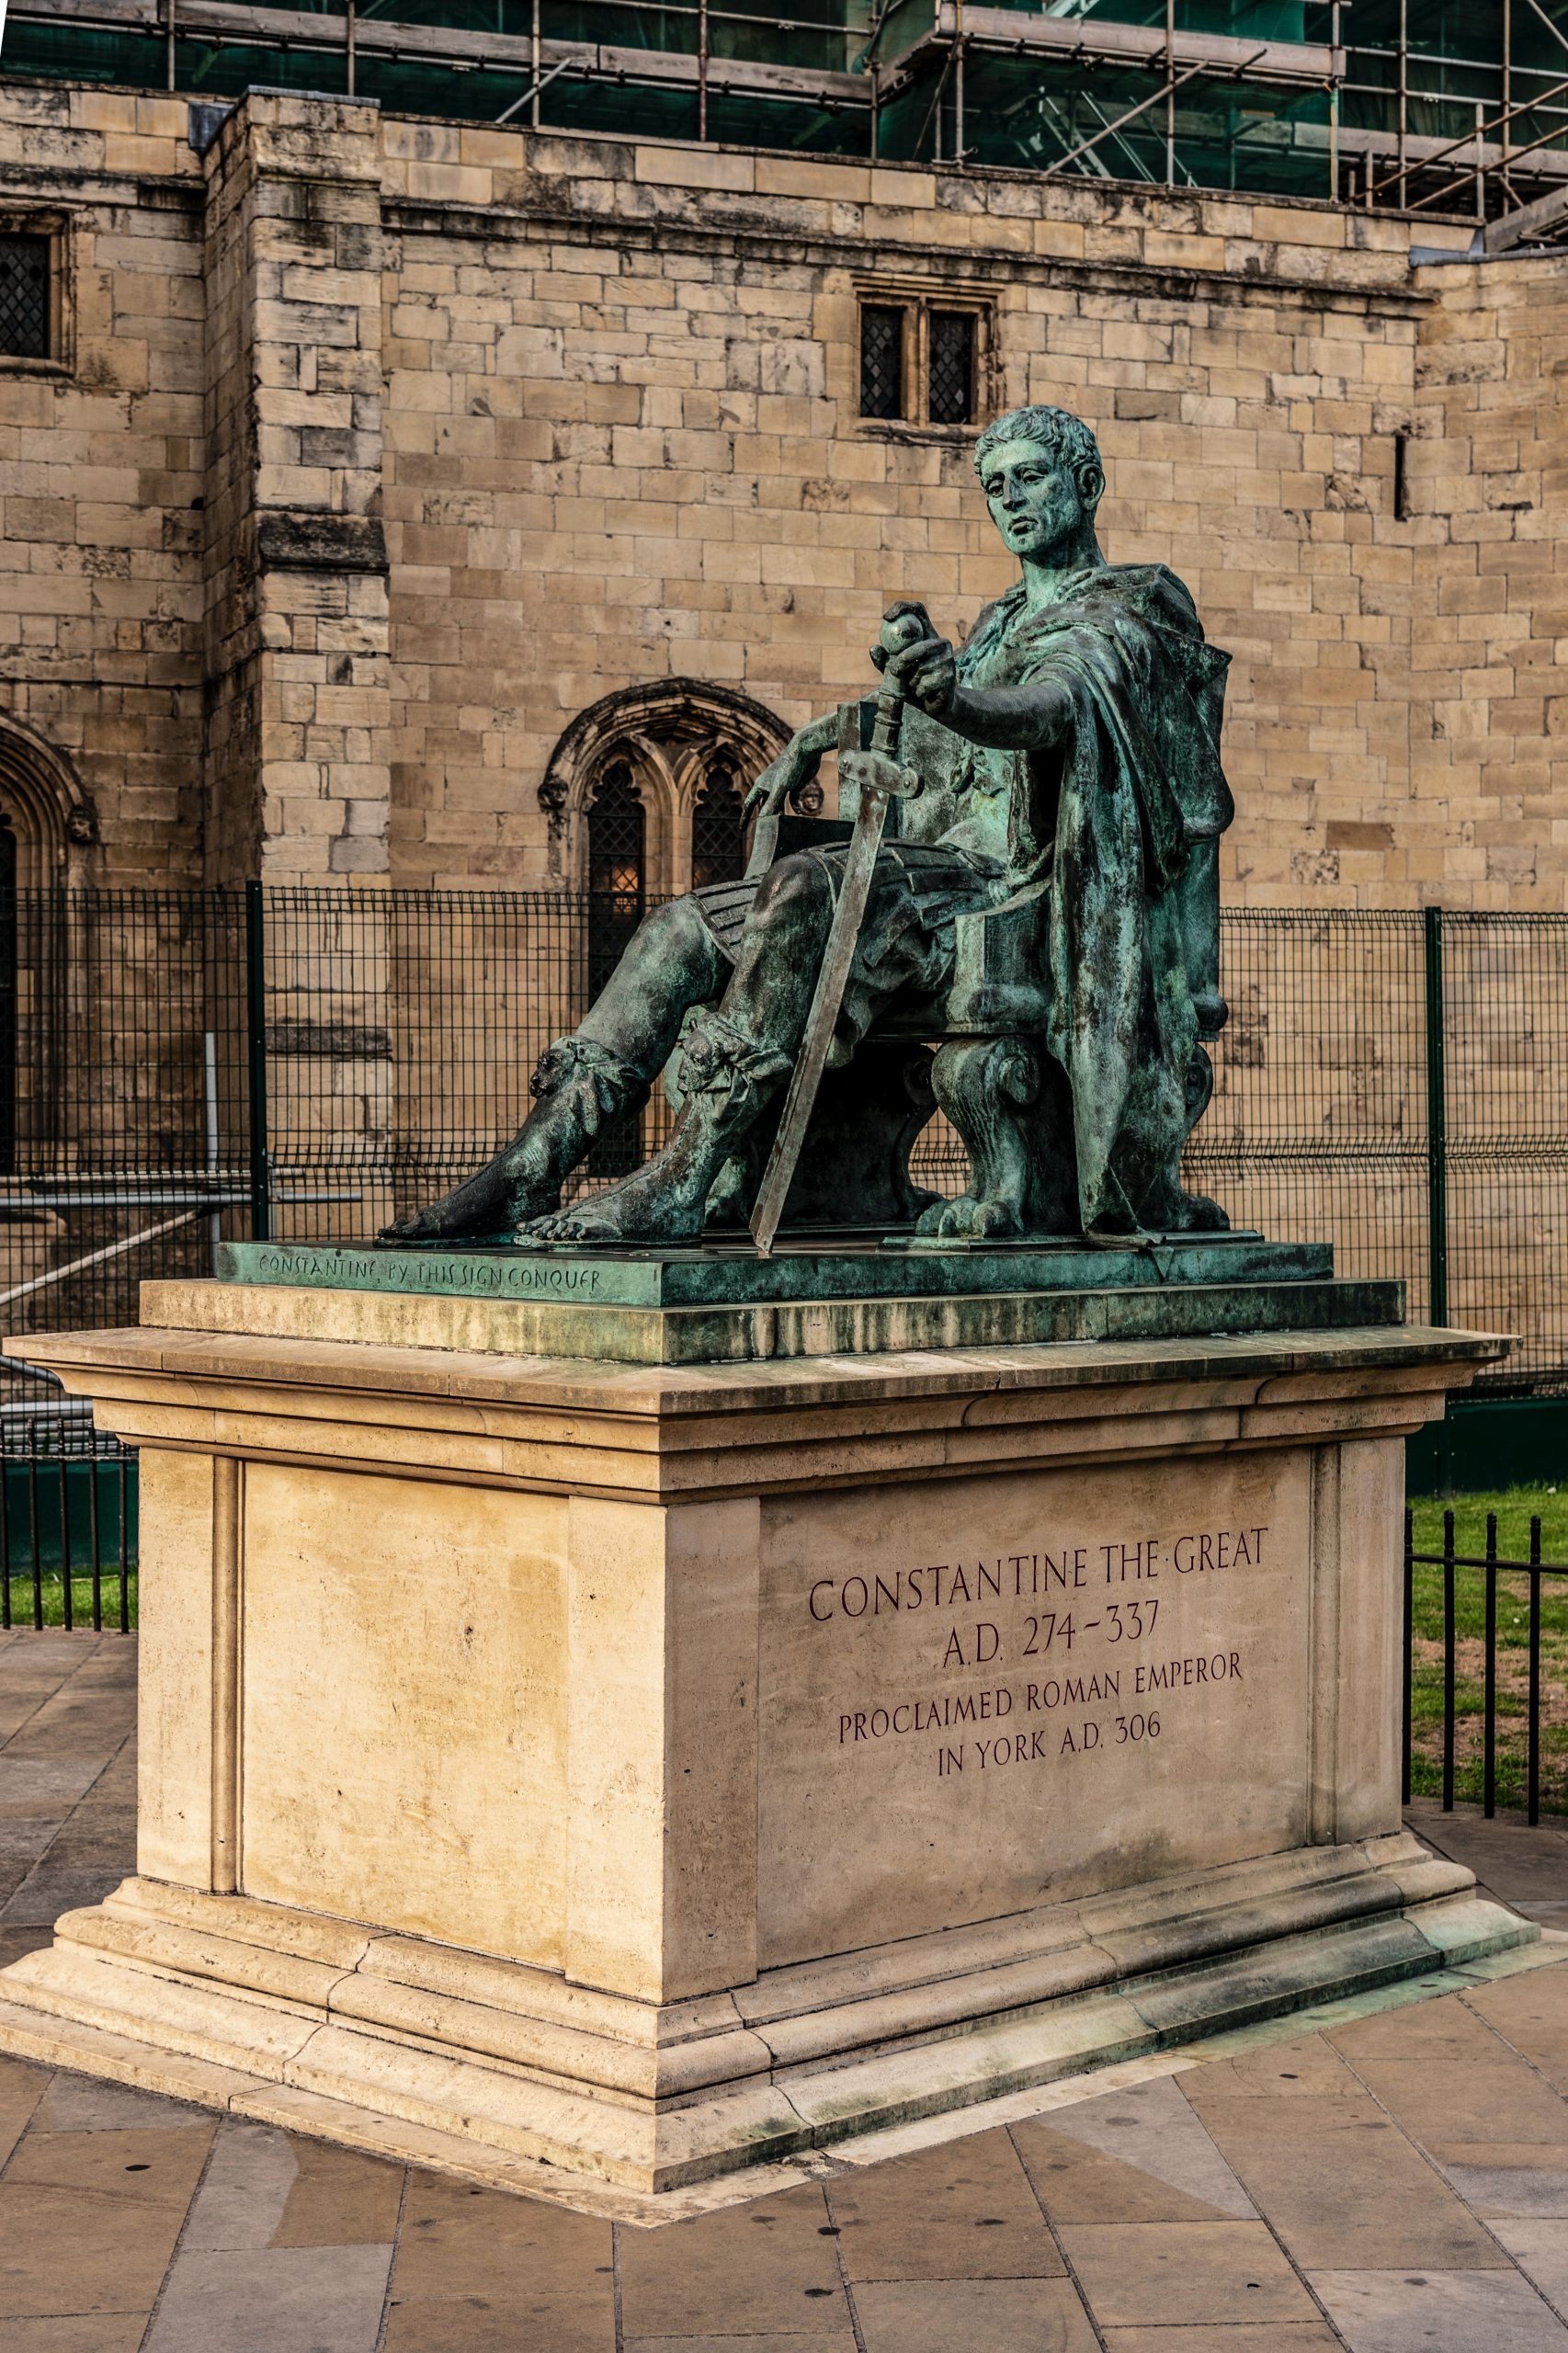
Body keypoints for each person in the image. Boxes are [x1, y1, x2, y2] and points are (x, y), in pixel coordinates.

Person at [381, 402, 1233, 1247]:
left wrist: (957, 695)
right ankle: (530, 1165)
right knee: (678, 928)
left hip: (1012, 886)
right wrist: (817, 739)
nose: (1011, 500)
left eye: (1031, 479)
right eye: (995, 485)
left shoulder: (1128, 610)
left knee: (800, 884)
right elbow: (926, 730)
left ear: (1085, 486)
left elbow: (1058, 705)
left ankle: (688, 1173)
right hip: (934, 869)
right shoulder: (1001, 619)